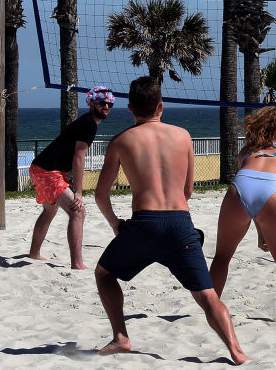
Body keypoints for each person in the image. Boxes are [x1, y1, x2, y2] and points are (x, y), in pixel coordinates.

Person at [94, 77, 248, 363]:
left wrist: (116, 224)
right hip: (179, 223)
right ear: (161, 106)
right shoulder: (183, 136)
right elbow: (187, 190)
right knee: (207, 296)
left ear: (130, 109)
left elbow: (100, 195)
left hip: (142, 224)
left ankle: (121, 337)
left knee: (104, 274)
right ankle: (237, 351)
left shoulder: (120, 141)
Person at [209, 106, 276, 320]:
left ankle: (211, 311)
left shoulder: (247, 150)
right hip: (274, 192)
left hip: (239, 188)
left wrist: (260, 231)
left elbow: (252, 194)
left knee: (221, 257)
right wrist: (265, 232)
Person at [28, 85, 113, 269]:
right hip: (47, 170)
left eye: (109, 104)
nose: (106, 106)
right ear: (92, 103)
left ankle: (34, 254)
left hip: (41, 167)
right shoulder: (89, 124)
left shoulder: (87, 122)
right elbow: (78, 158)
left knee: (50, 211)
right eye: (101, 103)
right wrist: (79, 192)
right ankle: (77, 264)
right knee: (77, 211)